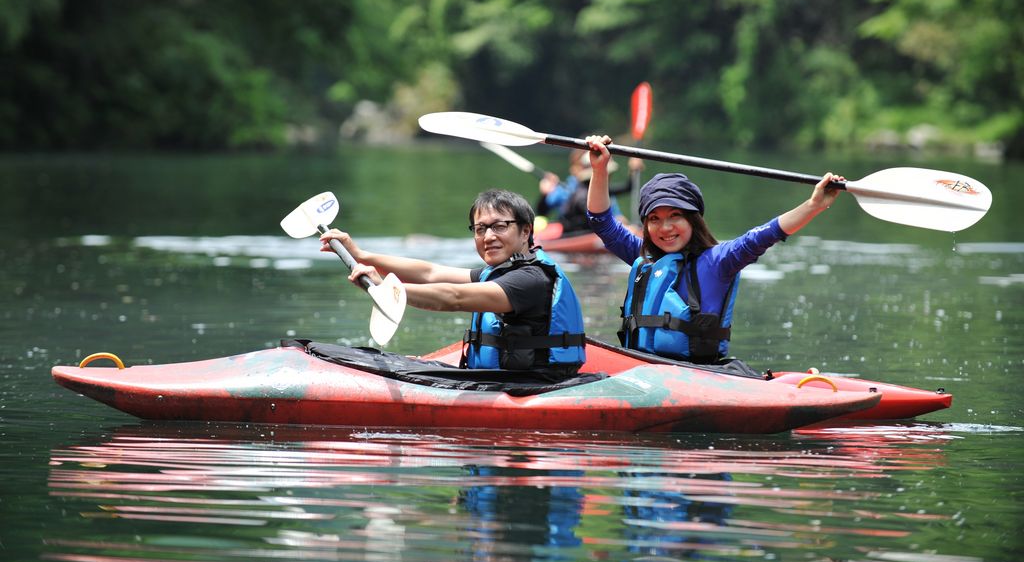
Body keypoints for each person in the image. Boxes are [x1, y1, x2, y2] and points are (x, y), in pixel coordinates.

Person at [584, 134, 844, 363]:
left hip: (697, 374)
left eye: (675, 215)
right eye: (655, 219)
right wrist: (600, 169)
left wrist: (814, 205)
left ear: (693, 220)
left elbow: (764, 235)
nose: (665, 227)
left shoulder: (718, 262)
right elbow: (602, 223)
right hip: (639, 367)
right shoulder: (644, 259)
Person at [320, 188, 587, 379]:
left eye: (499, 226)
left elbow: (454, 297)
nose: (488, 236)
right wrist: (361, 255)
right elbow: (430, 272)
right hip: (500, 379)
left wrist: (389, 290)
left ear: (526, 231)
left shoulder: (529, 279)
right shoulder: (500, 271)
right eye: (480, 229)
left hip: (529, 385)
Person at [537, 148, 642, 234]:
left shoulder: (600, 189)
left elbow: (628, 187)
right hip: (574, 234)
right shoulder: (580, 194)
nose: (608, 176)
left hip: (588, 230)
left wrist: (633, 170)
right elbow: (597, 217)